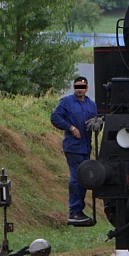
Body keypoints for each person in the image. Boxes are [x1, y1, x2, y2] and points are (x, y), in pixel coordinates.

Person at [51, 77, 98, 226]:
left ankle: (79, 211)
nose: (80, 89)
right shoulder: (66, 102)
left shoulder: (91, 104)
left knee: (84, 178)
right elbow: (55, 117)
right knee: (77, 177)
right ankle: (74, 211)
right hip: (73, 147)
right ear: (73, 87)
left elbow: (96, 121)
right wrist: (70, 128)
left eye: (83, 87)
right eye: (77, 86)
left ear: (87, 88)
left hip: (86, 147)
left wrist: (98, 123)